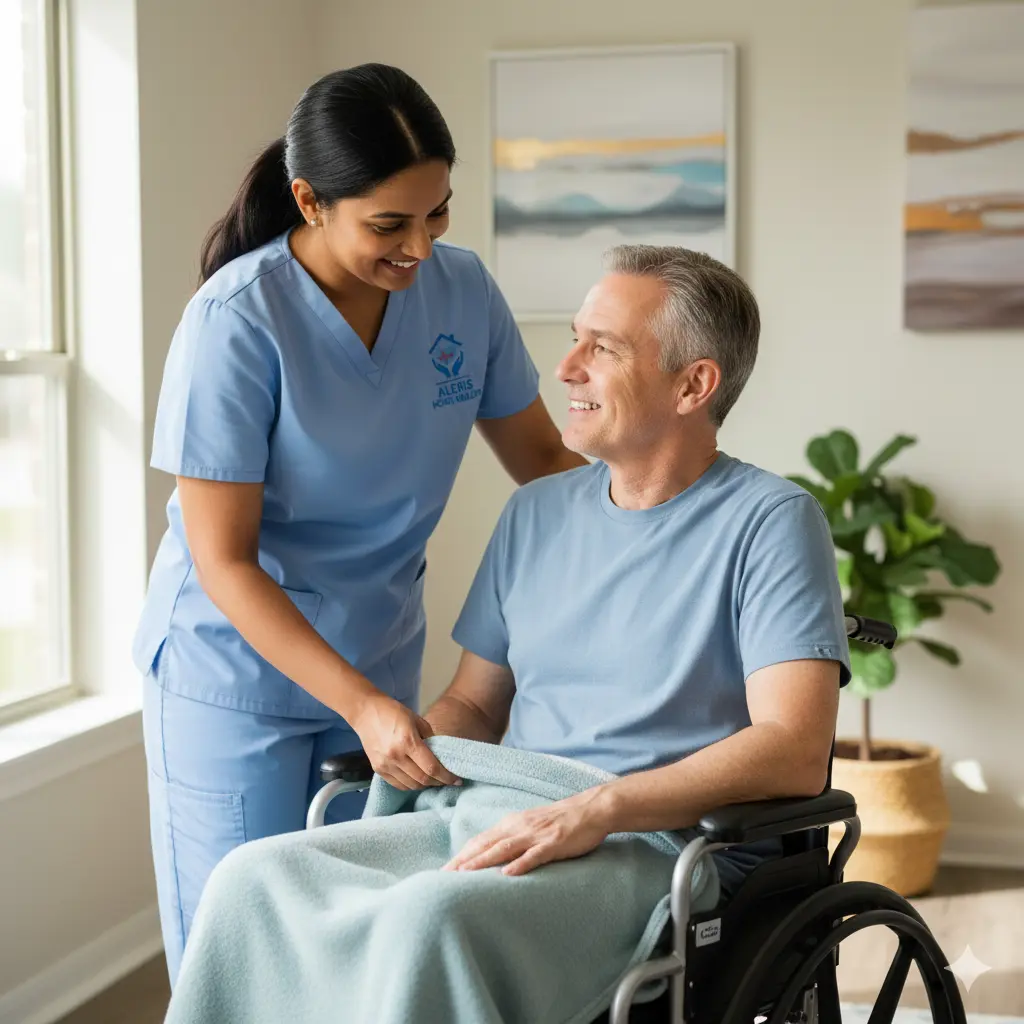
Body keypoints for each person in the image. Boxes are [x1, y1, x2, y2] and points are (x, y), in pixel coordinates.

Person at [161, 245, 852, 1023]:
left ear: (694, 384)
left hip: (654, 844)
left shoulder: (771, 523)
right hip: (503, 808)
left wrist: (599, 809)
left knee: (429, 921)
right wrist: (418, 742)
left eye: (605, 347)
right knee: (253, 878)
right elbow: (476, 705)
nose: (567, 368)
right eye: (575, 337)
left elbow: (793, 748)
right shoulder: (537, 512)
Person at [132, 62, 586, 984]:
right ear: (309, 199)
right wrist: (364, 704)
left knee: (353, 947)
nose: (419, 248)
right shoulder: (236, 319)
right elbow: (224, 560)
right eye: (389, 223)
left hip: (376, 650)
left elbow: (544, 465)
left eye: (438, 213)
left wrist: (692, 522)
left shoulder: (462, 294)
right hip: (232, 675)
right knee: (244, 954)